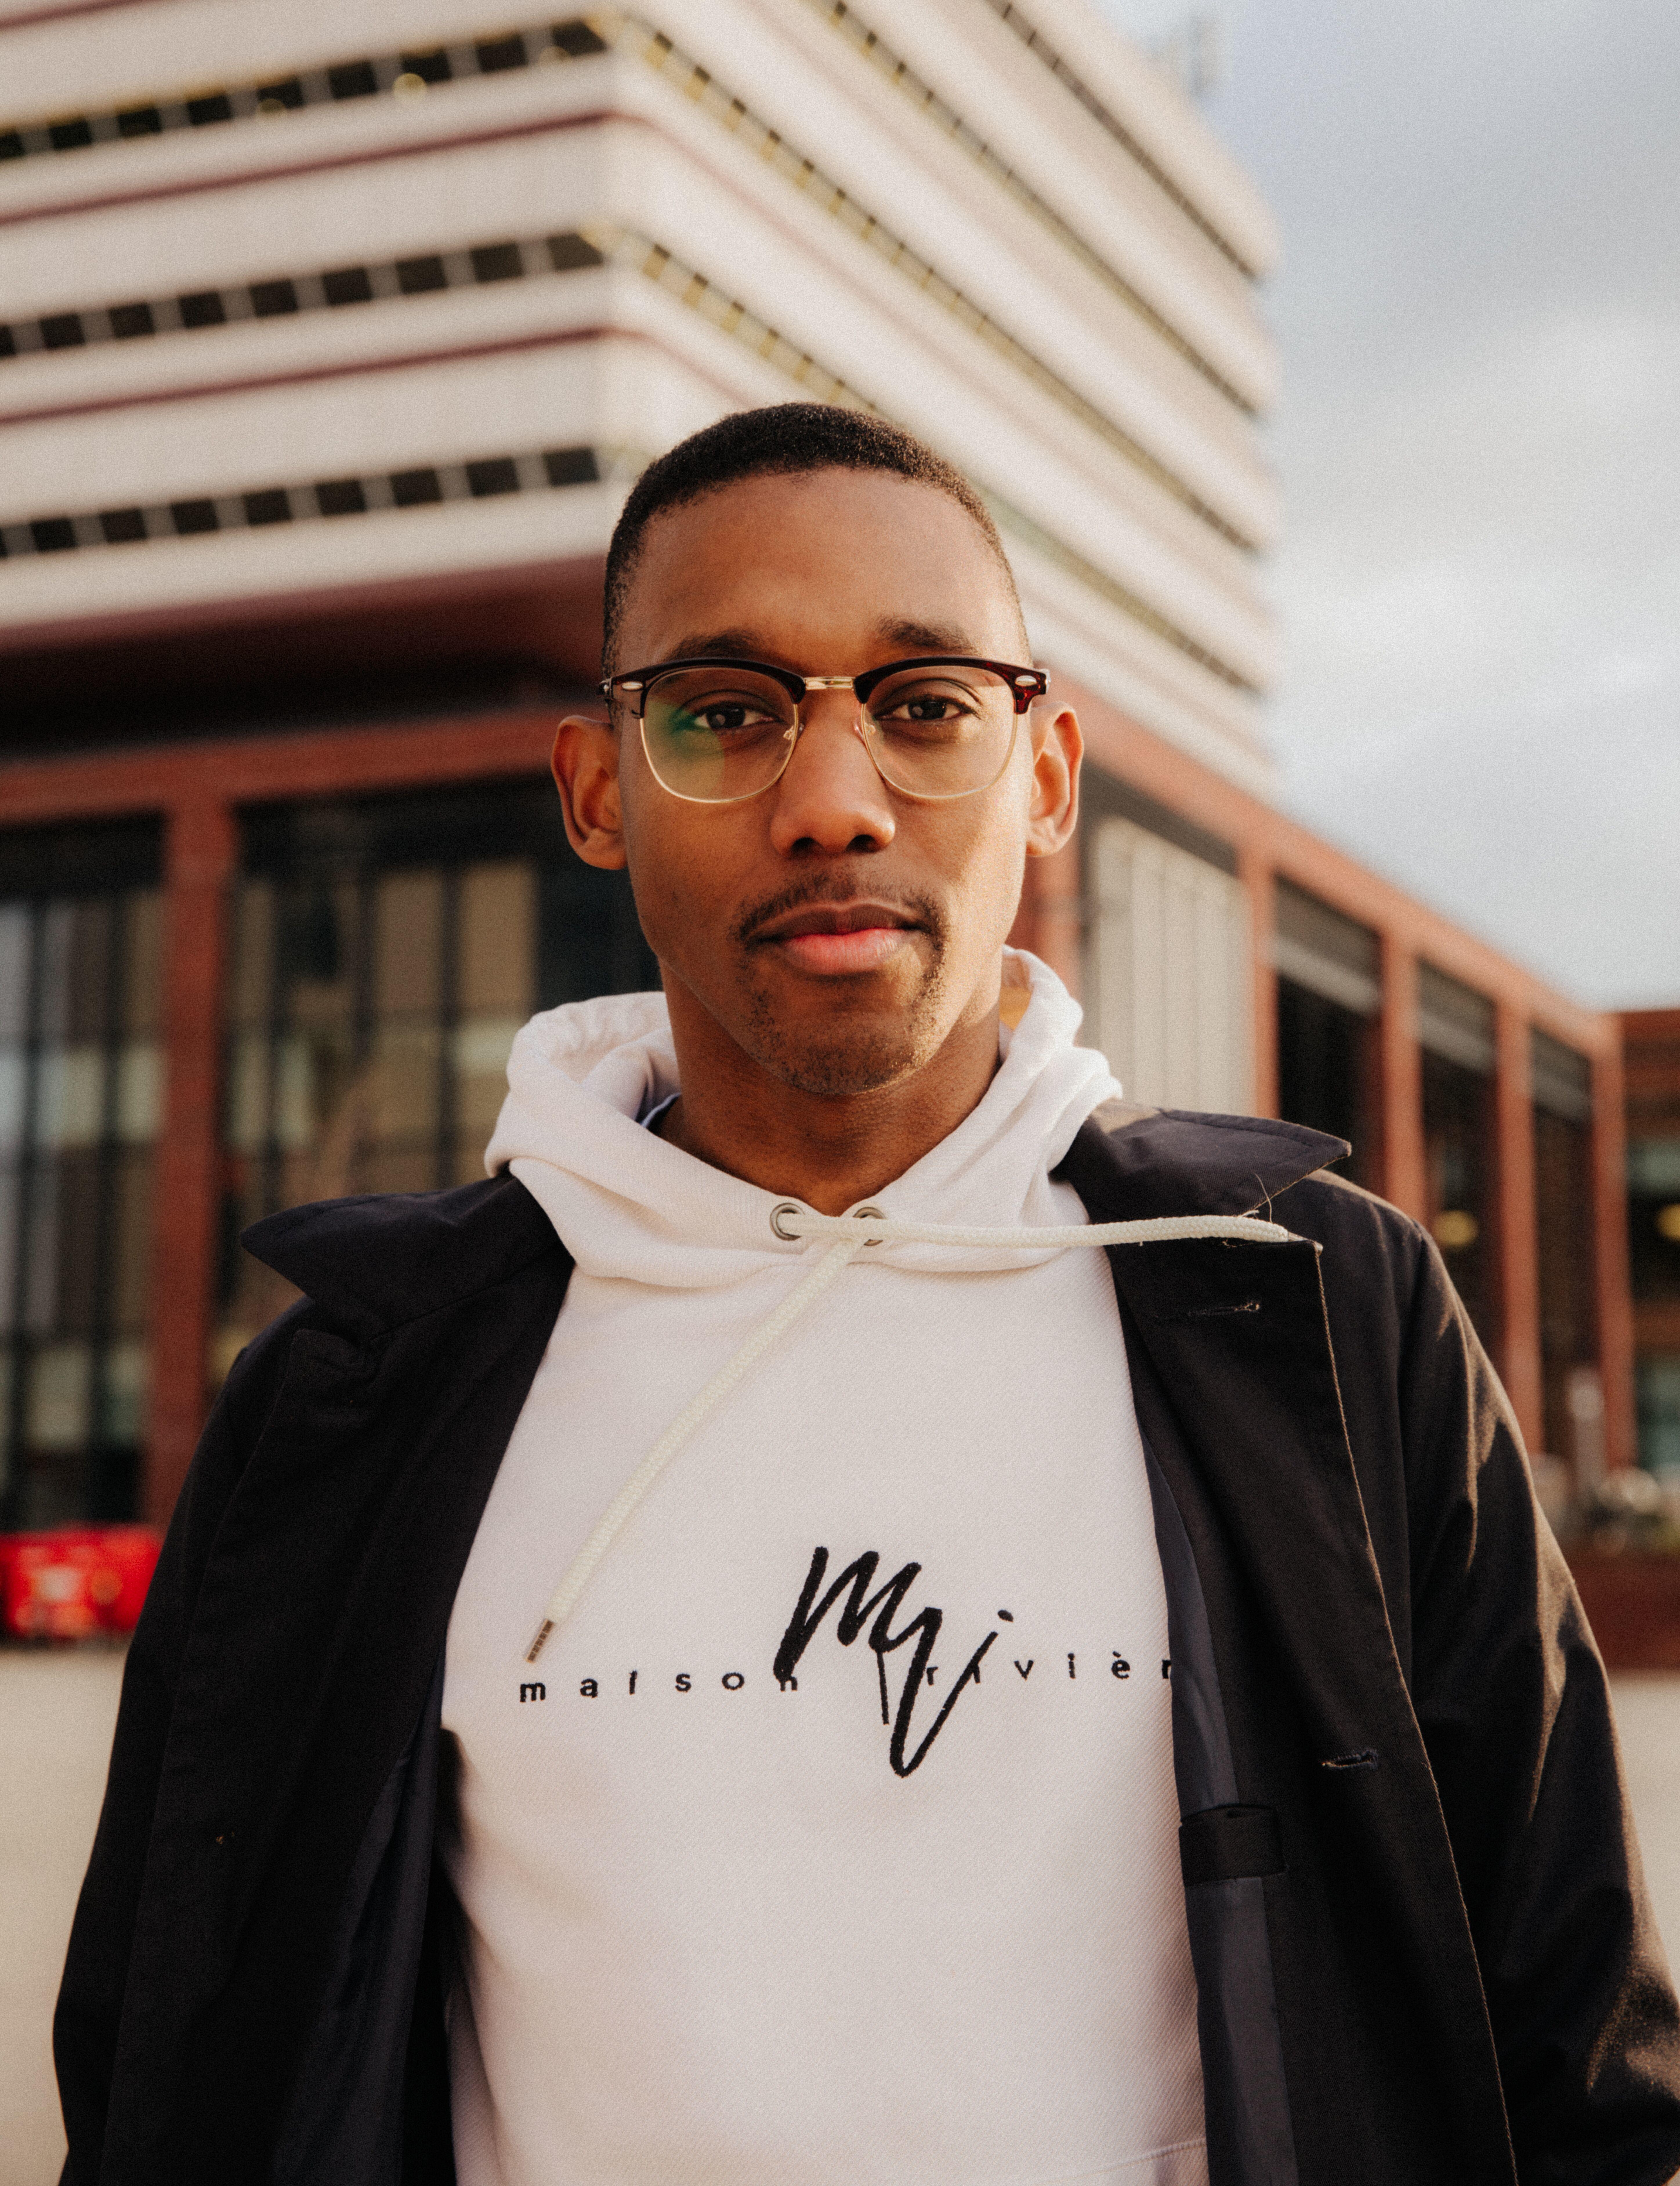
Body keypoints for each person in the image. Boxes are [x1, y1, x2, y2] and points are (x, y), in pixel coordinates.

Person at [55, 403, 1680, 2186]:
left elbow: (1572, 2051)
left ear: (1043, 774)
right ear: (604, 788)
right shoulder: (357, 1392)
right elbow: (170, 2064)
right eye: (722, 715)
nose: (832, 804)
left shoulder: (1313, 1314)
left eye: (924, 710)